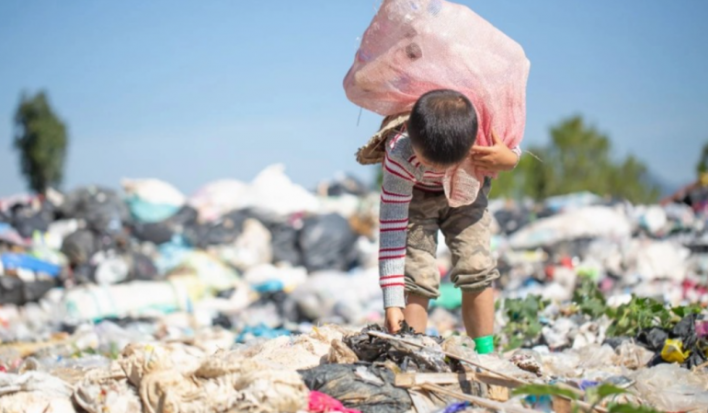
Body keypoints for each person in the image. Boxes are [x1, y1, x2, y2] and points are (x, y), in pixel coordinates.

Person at [378, 89, 520, 355]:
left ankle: (484, 354)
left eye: (447, 165)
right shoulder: (399, 154)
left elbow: (510, 147)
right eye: (428, 163)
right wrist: (392, 302)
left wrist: (509, 160)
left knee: (477, 269)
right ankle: (412, 353)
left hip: (468, 192)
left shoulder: (481, 136)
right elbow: (392, 231)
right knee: (417, 276)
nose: (437, 171)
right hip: (417, 198)